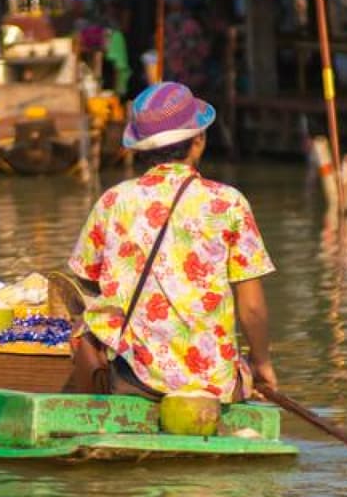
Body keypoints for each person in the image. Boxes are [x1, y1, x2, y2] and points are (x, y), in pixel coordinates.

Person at [65, 81, 278, 400]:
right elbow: (252, 308)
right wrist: (262, 365)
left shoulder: (113, 202)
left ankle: (94, 412)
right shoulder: (229, 203)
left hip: (135, 379)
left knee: (84, 328)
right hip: (213, 384)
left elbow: (86, 280)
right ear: (199, 141)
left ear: (139, 149)